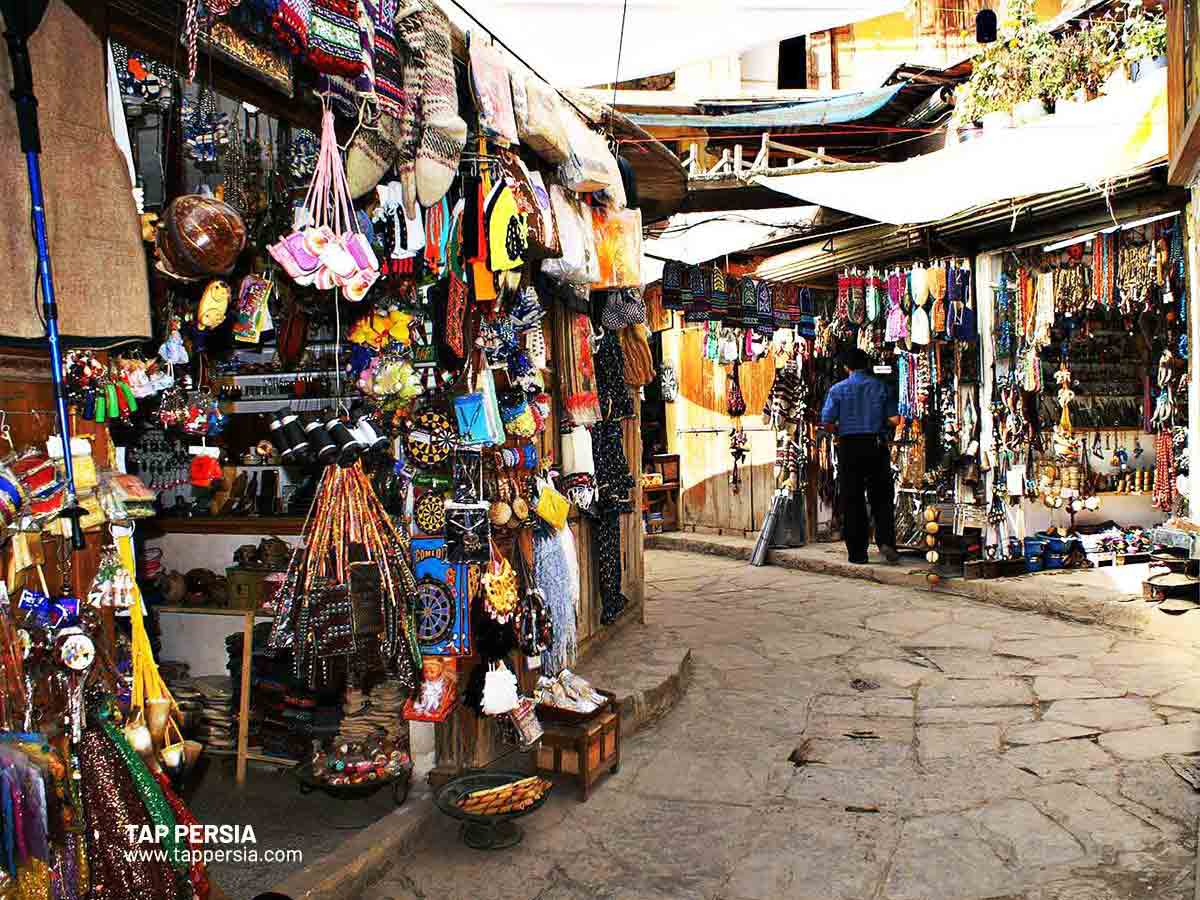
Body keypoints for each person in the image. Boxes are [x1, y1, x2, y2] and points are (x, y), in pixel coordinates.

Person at [820, 348, 900, 565]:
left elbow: (826, 421)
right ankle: (886, 542)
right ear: (866, 365)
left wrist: (839, 428)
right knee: (881, 496)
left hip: (849, 446)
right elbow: (894, 420)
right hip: (875, 444)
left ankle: (857, 553)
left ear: (846, 367)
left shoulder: (837, 390)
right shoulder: (880, 387)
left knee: (852, 498)